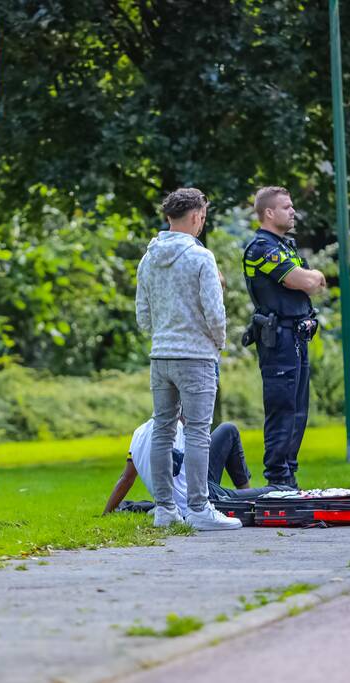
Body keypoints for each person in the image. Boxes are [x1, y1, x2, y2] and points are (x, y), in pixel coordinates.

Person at [135, 187, 239, 531]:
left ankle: (164, 509)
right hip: (195, 355)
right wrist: (219, 342)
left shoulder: (149, 258)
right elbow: (215, 310)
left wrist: (161, 334)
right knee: (197, 432)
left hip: (160, 355)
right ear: (196, 216)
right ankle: (199, 507)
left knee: (163, 430)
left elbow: (143, 315)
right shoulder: (201, 257)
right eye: (203, 218)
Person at [242, 186, 326, 489]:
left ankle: (289, 479)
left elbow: (308, 283)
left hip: (296, 337)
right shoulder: (261, 248)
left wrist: (308, 279)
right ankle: (278, 481)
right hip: (279, 340)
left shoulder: (284, 246)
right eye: (287, 207)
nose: (293, 212)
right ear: (269, 212)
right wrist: (311, 276)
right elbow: (301, 280)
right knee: (283, 410)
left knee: (298, 411)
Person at [103, 419, 290, 516]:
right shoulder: (176, 429)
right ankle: (248, 500)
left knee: (228, 430)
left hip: (194, 483)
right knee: (278, 490)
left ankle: (245, 494)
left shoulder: (138, 433)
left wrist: (106, 513)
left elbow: (126, 478)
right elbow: (177, 469)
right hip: (201, 497)